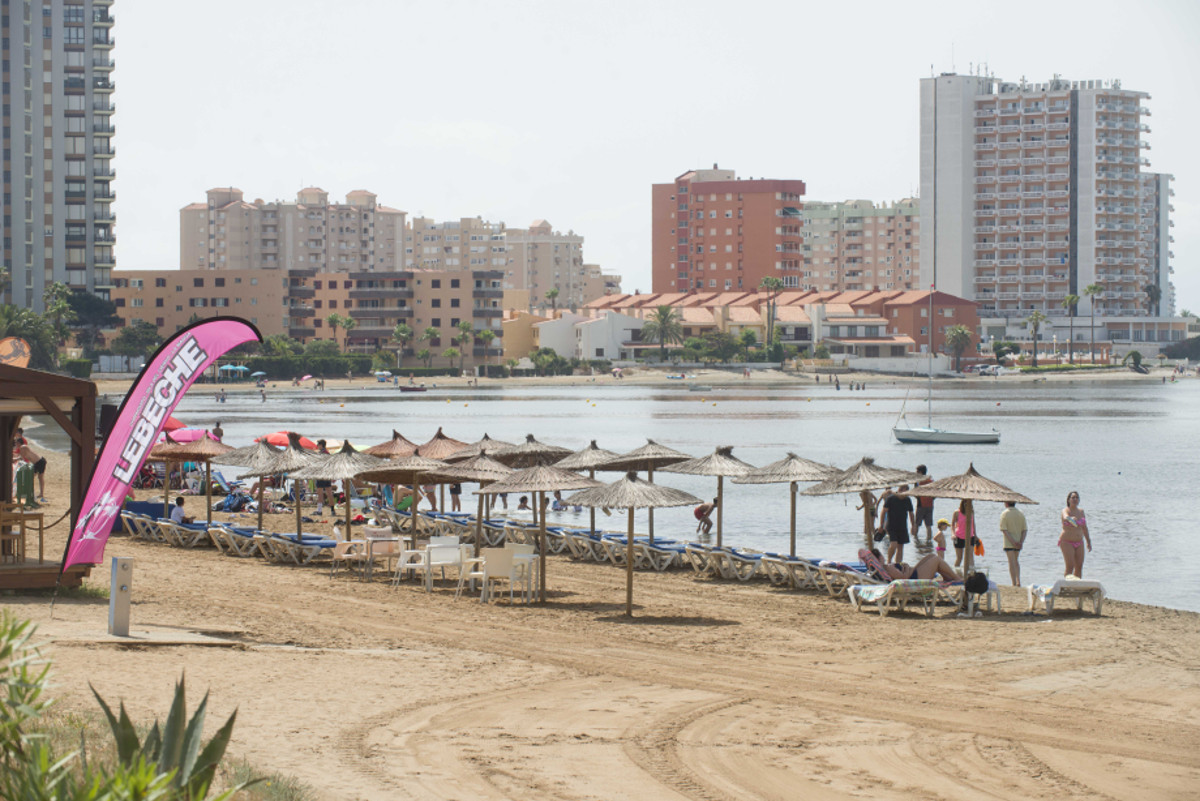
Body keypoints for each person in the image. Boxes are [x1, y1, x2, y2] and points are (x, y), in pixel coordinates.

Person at [869, 548, 960, 582]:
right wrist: (906, 567)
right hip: (916, 578)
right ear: (880, 558)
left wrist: (905, 567)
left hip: (914, 573)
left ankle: (947, 577)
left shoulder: (884, 569)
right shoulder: (888, 568)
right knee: (936, 560)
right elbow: (904, 578)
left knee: (931, 556)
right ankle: (956, 578)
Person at [1060, 490, 1091, 578]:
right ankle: (1067, 585)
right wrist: (1071, 518)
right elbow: (1065, 517)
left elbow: (1084, 527)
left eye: (1077, 498)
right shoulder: (1065, 510)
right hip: (1067, 542)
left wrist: (1088, 541)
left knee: (1079, 566)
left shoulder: (1081, 511)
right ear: (1068, 500)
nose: (1075, 499)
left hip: (1079, 542)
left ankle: (1077, 586)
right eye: (1073, 497)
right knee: (1070, 566)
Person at [880, 484, 915, 563]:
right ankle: (889, 562)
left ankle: (898, 564)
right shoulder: (891, 498)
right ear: (900, 490)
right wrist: (881, 525)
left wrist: (913, 525)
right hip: (891, 525)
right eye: (905, 491)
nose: (905, 494)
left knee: (900, 546)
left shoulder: (907, 500)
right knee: (894, 544)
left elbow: (911, 513)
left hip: (902, 526)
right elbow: (883, 511)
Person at [999, 500, 1028, 586]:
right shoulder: (1020, 513)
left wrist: (1012, 541)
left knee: (1011, 562)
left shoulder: (1004, 514)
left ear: (1006, 503)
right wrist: (1021, 542)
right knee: (1016, 561)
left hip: (1009, 542)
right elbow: (1025, 530)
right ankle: (1018, 580)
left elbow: (1004, 530)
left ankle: (1013, 582)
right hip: (1018, 541)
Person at [951, 499, 977, 568]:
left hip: (970, 536)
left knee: (970, 557)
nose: (967, 505)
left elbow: (973, 524)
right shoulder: (957, 512)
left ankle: (971, 573)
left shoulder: (971, 512)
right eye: (966, 504)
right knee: (959, 558)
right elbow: (952, 524)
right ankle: (955, 573)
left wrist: (976, 535)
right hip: (959, 536)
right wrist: (953, 534)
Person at [313, 440, 337, 515]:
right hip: (327, 476)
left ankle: (319, 510)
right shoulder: (328, 453)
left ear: (321, 445)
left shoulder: (320, 454)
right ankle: (333, 510)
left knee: (320, 493)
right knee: (329, 493)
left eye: (318, 444)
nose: (317, 446)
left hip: (321, 475)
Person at [913, 465, 934, 542]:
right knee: (928, 526)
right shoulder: (931, 480)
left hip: (921, 505)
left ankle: (915, 540)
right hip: (930, 505)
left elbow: (915, 493)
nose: (916, 473)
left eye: (917, 471)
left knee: (917, 524)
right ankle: (929, 541)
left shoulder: (918, 482)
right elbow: (935, 494)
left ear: (920, 472)